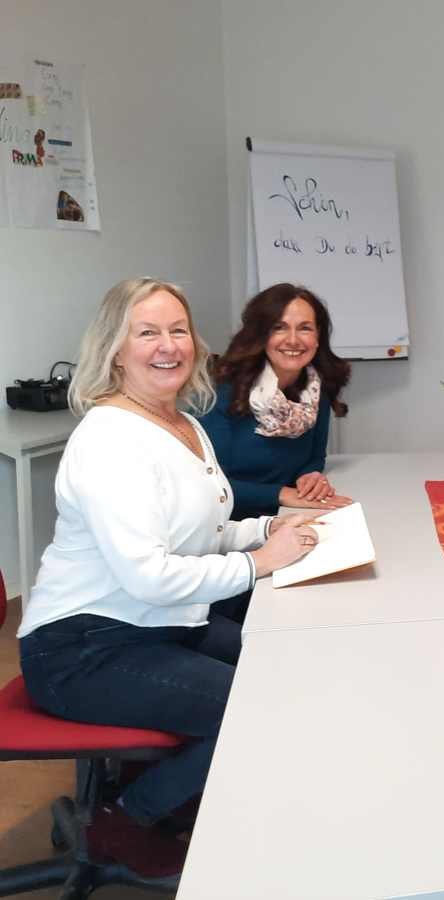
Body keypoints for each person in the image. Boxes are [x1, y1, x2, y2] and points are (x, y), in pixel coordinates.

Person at [17, 278, 318, 884]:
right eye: (147, 331)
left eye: (178, 329)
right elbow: (150, 574)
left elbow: (204, 532)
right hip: (83, 647)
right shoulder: (108, 439)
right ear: (114, 348)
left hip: (158, 625)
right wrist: (263, 562)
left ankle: (175, 792)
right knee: (255, 703)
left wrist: (272, 530)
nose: (168, 345)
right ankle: (125, 821)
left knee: (291, 666)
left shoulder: (181, 424)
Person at [199, 283, 353, 521]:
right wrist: (282, 494)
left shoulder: (316, 391)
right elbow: (211, 486)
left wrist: (309, 476)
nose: (293, 340)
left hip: (289, 514)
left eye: (305, 328)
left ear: (318, 336)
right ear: (261, 334)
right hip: (227, 526)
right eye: (279, 328)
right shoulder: (220, 393)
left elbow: (315, 456)